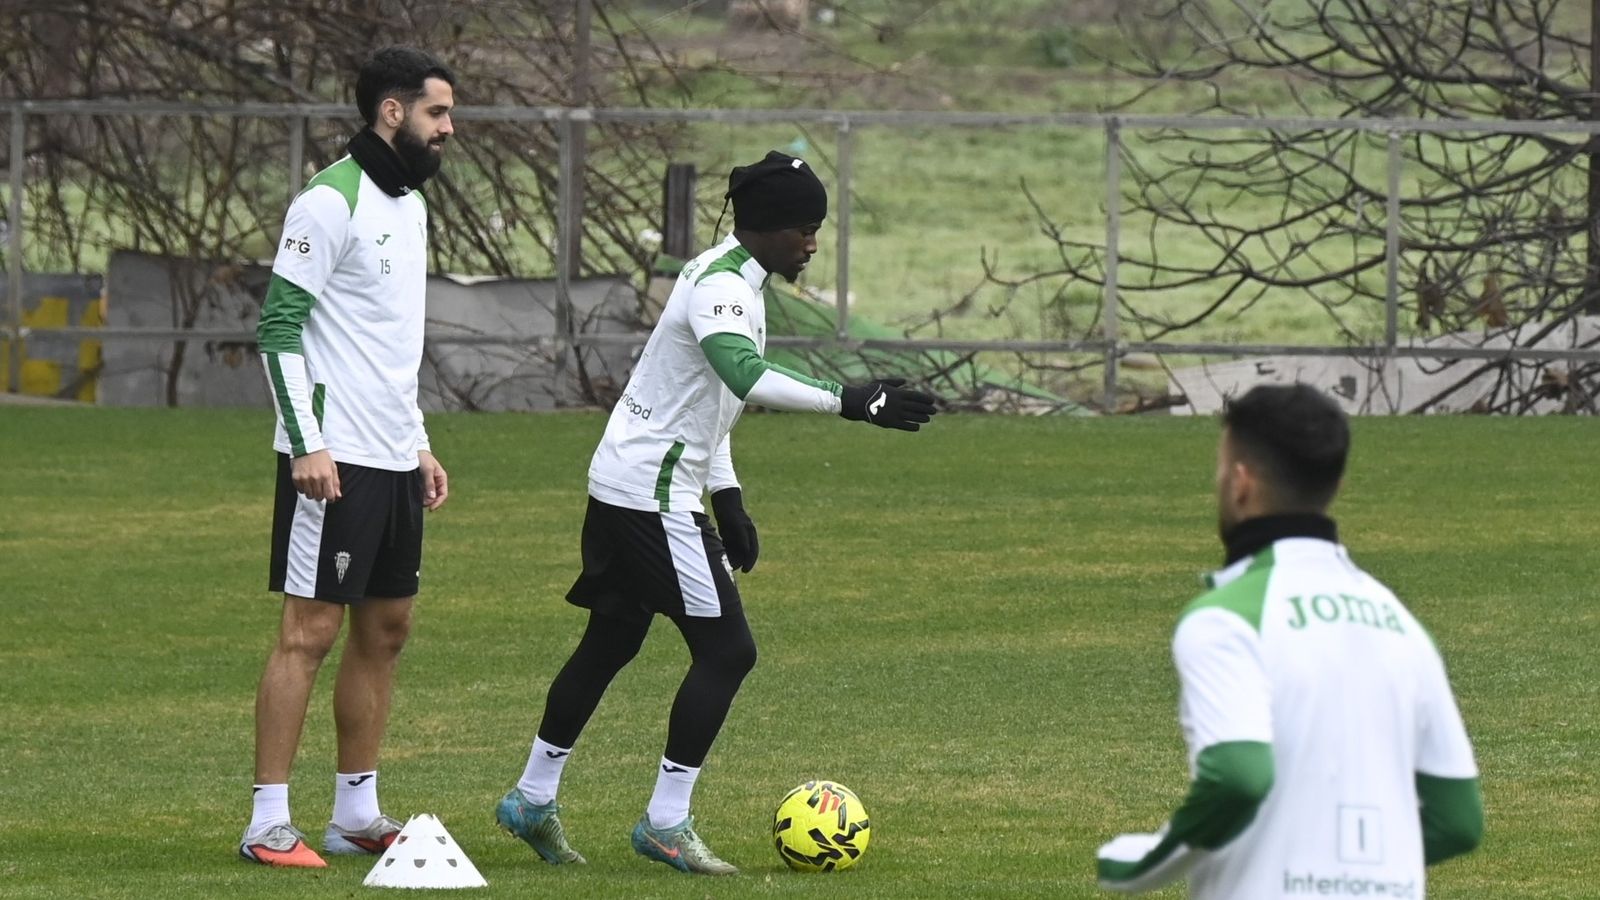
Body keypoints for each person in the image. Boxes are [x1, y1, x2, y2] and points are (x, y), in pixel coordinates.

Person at [494, 150, 938, 876]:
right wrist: (849, 400)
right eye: (804, 228)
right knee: (728, 652)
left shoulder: (733, 276)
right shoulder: (723, 287)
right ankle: (665, 823)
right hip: (651, 497)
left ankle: (531, 799)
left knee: (611, 642)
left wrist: (726, 497)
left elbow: (707, 401)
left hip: (627, 481)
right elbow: (743, 373)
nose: (812, 243)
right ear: (765, 226)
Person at [1096, 383, 1483, 898]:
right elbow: (1458, 819)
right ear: (1336, 483)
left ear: (1240, 483)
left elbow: (1238, 776)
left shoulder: (1225, 618)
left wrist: (1141, 864)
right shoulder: (1401, 623)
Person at [240, 46, 455, 868]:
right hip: (331, 458)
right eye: (437, 113)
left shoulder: (411, 205)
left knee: (388, 627)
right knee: (310, 630)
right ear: (392, 112)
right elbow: (278, 329)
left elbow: (387, 342)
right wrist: (307, 443)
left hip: (393, 453)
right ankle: (267, 823)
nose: (448, 129)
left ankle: (356, 814)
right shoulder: (329, 201)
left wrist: (418, 442)